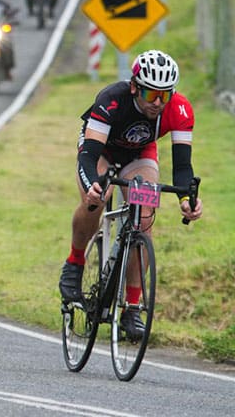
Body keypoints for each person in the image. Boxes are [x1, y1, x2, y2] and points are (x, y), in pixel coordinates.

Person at [58, 50, 202, 340]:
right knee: (98, 198)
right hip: (102, 151)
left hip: (140, 154)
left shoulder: (181, 109)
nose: (158, 103)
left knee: (144, 219)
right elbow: (88, 156)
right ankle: (74, 264)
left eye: (165, 95)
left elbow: (183, 167)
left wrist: (187, 200)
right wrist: (91, 187)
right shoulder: (112, 99)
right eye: (151, 95)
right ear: (136, 87)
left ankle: (132, 308)